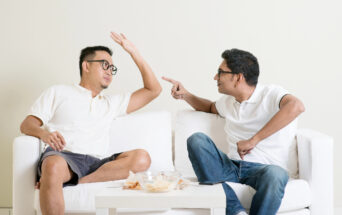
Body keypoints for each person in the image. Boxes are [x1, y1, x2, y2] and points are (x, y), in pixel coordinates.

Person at [20, 32, 162, 215]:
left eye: (112, 68)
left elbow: (154, 90)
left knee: (142, 158)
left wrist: (133, 52)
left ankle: (79, 181)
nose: (110, 71)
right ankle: (61, 177)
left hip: (98, 163)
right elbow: (26, 125)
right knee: (53, 166)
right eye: (105, 65)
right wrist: (44, 134)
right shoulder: (58, 92)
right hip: (65, 158)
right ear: (86, 65)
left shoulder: (111, 103)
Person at [163, 48, 305, 215]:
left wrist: (254, 140)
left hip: (264, 170)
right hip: (230, 168)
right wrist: (185, 95)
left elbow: (296, 106)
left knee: (276, 175)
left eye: (220, 72)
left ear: (238, 77)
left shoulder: (271, 94)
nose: (215, 77)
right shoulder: (228, 102)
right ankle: (236, 212)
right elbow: (209, 107)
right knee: (197, 140)